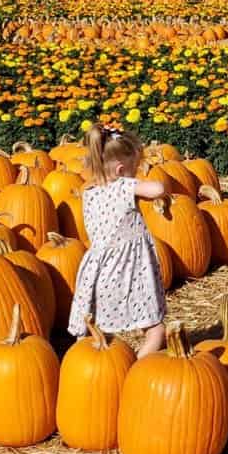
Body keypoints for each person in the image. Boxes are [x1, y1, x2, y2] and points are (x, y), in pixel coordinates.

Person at [66, 123, 168, 358]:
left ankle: (87, 365)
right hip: (128, 273)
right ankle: (133, 370)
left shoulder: (89, 193)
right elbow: (157, 189)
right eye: (135, 168)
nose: (137, 174)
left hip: (98, 273)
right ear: (122, 170)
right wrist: (139, 185)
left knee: (94, 331)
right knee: (155, 329)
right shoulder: (124, 186)